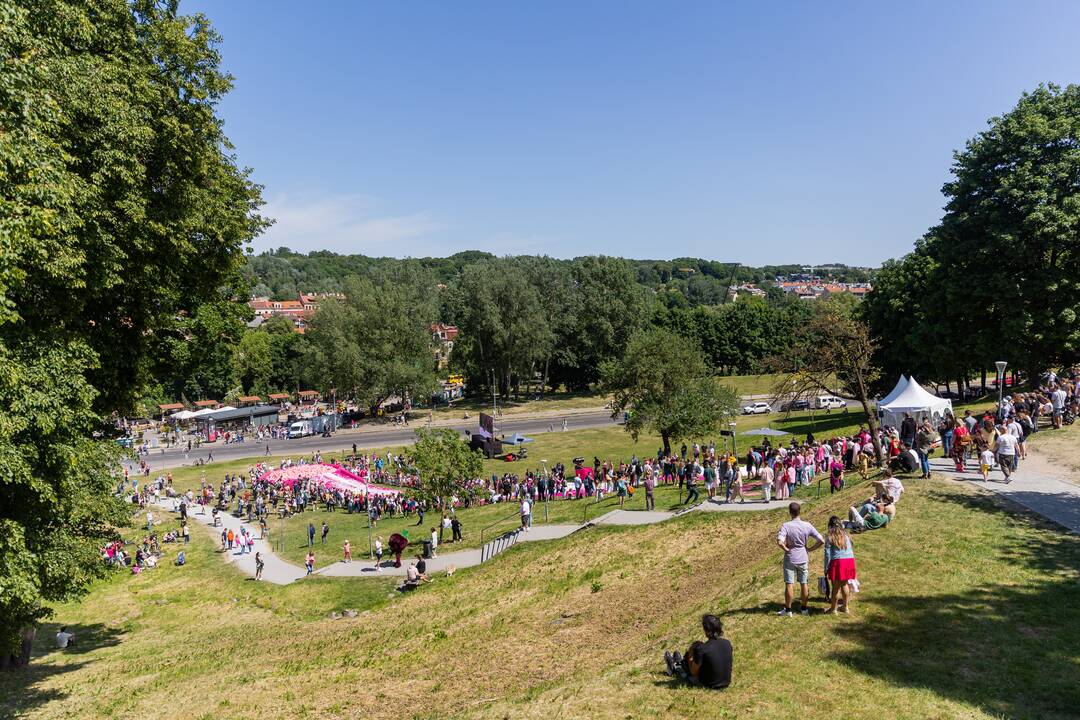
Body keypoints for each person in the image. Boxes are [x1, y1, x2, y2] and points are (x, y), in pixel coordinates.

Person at [777, 502, 824, 616]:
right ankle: (804, 609)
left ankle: (788, 610)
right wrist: (811, 549)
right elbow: (821, 540)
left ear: (790, 512)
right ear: (800, 512)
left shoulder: (786, 526)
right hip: (803, 556)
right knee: (804, 583)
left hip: (790, 557)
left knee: (789, 584)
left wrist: (786, 549)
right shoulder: (807, 525)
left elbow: (779, 541)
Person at [663, 614, 733, 689]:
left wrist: (691, 652)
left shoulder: (703, 649)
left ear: (706, 630)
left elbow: (693, 672)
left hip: (709, 685)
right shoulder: (727, 643)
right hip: (726, 683)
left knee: (687, 674)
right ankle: (679, 662)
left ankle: (675, 666)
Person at [823, 516, 857, 614]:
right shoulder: (846, 535)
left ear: (830, 525)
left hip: (837, 562)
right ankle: (845, 607)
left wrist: (826, 567)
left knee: (835, 587)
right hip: (849, 561)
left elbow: (827, 554)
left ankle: (833, 609)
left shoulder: (829, 536)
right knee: (844, 584)